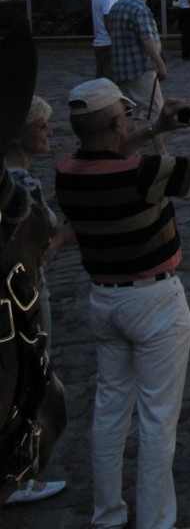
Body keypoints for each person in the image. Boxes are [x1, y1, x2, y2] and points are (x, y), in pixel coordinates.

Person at [55, 78, 190, 529]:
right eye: (125, 118)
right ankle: (155, 520)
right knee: (157, 420)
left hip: (105, 299)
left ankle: (107, 512)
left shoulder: (67, 171)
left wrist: (155, 129)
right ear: (117, 124)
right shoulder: (143, 173)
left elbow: (106, 152)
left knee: (110, 411)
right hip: (155, 301)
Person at [2, 96, 72, 506]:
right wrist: (67, 233)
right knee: (30, 382)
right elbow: (37, 249)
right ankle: (18, 474)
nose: (49, 131)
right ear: (18, 134)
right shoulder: (22, 186)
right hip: (25, 294)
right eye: (41, 125)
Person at [108, 0, 170, 155]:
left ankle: (128, 150)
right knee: (154, 110)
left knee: (130, 112)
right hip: (140, 68)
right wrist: (160, 63)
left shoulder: (117, 6)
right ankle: (161, 152)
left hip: (121, 68)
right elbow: (146, 40)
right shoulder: (139, 8)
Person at [91, 0, 126, 78]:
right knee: (109, 78)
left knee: (101, 76)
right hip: (108, 43)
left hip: (100, 42)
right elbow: (109, 20)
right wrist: (118, 40)